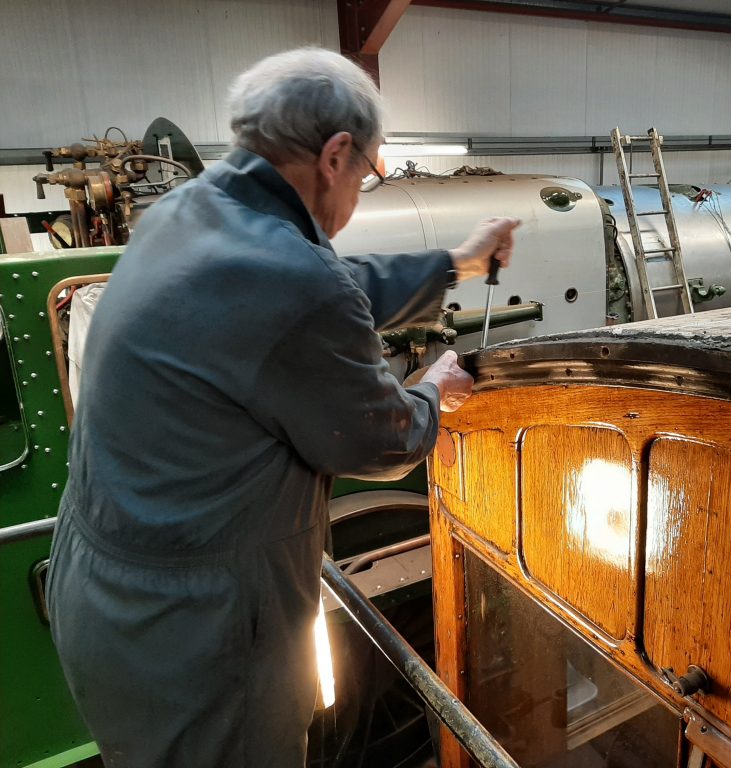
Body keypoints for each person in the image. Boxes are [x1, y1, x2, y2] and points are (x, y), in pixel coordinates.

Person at [46, 47, 518, 767]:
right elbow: (380, 444)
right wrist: (434, 392)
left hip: (104, 602)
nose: (361, 188)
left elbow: (329, 285)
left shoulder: (186, 212)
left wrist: (458, 263)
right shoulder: (292, 277)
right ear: (334, 155)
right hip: (200, 642)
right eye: (368, 171)